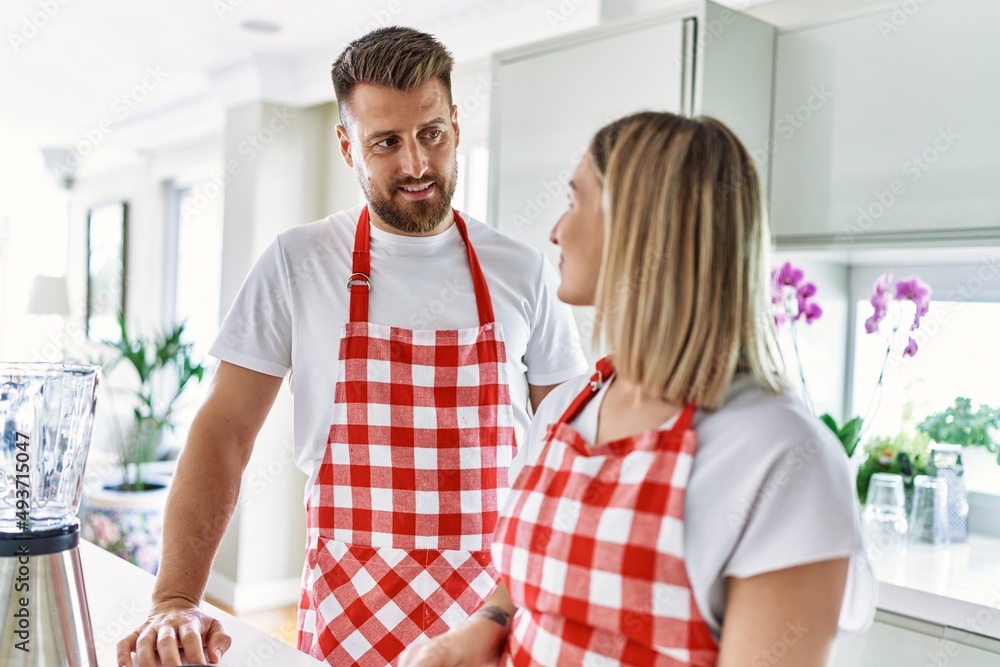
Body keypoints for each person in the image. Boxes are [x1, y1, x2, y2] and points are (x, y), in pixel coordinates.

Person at [116, 26, 587, 667]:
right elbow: (224, 429)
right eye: (386, 143)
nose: (416, 164)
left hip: (492, 617)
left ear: (456, 122)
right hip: (349, 614)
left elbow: (570, 455)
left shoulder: (521, 271)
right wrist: (175, 596)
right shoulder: (298, 260)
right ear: (347, 146)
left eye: (432, 134)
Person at [398, 111, 876, 667]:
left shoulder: (783, 456)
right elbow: (534, 581)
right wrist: (482, 627)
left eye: (575, 200)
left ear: (640, 225)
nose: (555, 230)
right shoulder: (563, 410)